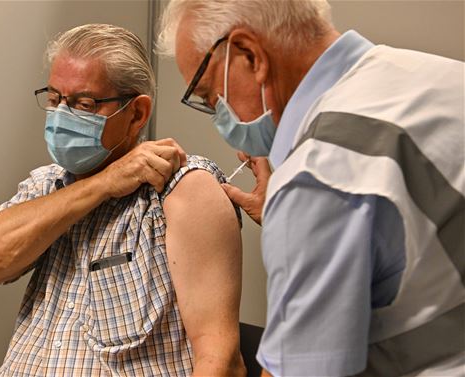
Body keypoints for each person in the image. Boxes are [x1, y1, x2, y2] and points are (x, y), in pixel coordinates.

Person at [157, 1, 465, 376]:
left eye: (209, 96)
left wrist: (299, 216)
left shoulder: (317, 176)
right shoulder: (439, 76)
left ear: (251, 56)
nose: (219, 116)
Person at [0, 24, 246, 376]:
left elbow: (220, 359)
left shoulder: (181, 188)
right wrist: (103, 184)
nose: (62, 115)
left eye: (84, 104)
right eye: (53, 99)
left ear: (137, 114)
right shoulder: (48, 185)